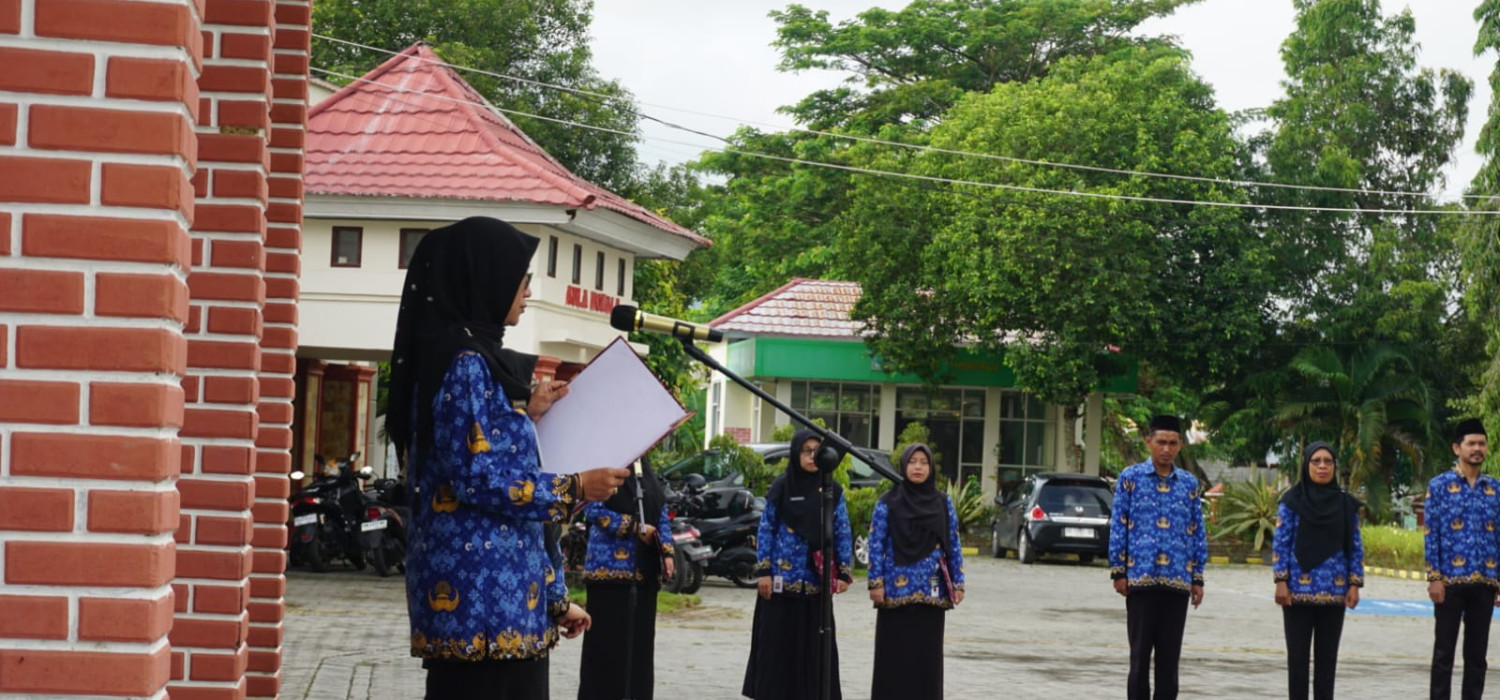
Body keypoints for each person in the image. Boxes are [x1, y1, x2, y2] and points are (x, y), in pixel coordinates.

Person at [385, 216, 629, 700]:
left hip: (508, 604)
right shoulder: (465, 366)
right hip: (480, 610)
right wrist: (575, 487)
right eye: (522, 282)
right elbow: (477, 478)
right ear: (486, 281)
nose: (528, 293)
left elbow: (491, 460)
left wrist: (555, 602)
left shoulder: (477, 360)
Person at [742, 430, 854, 700]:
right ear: (795, 453)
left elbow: (841, 531)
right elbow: (766, 530)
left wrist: (842, 572)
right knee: (777, 654)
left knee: (815, 655)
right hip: (780, 589)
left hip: (816, 587)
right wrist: (765, 572)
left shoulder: (831, 490)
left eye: (818, 450)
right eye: (806, 450)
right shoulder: (781, 488)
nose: (812, 456)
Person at [1108, 414, 1208, 700]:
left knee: (1169, 661)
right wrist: (1118, 570)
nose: (1166, 449)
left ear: (1180, 446)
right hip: (1140, 580)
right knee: (1139, 658)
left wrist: (1197, 577)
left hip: (1177, 583)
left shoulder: (1188, 484)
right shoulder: (1130, 479)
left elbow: (1196, 531)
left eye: (1173, 443)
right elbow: (1119, 524)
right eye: (1161, 442)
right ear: (1148, 442)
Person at [866, 443, 965, 700]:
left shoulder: (943, 502)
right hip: (895, 594)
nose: (918, 467)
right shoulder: (888, 503)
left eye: (923, 462)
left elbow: (953, 543)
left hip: (932, 595)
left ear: (930, 468)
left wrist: (958, 581)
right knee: (894, 659)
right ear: (904, 465)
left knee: (926, 661)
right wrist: (875, 583)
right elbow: (875, 544)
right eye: (913, 461)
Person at [575, 459, 676, 700]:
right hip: (609, 575)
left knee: (640, 649)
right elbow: (593, 509)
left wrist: (668, 552)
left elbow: (660, 512)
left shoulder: (646, 476)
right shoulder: (606, 468)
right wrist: (633, 527)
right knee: (607, 649)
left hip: (644, 574)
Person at [1273, 441, 1364, 700]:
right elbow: (1281, 541)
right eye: (1316, 461)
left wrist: (1354, 584)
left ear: (1335, 466)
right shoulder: (1291, 501)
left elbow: (1355, 545)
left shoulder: (1346, 504)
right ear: (1306, 465)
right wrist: (1281, 580)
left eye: (1328, 462)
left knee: (1327, 663)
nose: (1322, 466)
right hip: (1296, 593)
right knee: (1297, 661)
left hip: (1335, 592)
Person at [1426, 418, 1497, 700]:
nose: (1477, 449)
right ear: (1457, 448)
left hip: (1485, 582)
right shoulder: (1439, 486)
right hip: (1449, 583)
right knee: (1444, 654)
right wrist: (1434, 578)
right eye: (1471, 443)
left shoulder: (1495, 489)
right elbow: (1432, 535)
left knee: (1477, 656)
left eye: (1481, 443)